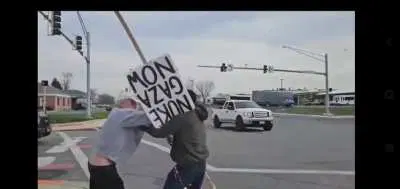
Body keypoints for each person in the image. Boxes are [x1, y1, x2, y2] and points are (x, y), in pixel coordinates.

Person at [141, 90, 209, 189]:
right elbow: (188, 134)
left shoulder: (183, 115)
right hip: (201, 164)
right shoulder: (197, 113)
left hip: (188, 165)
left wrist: (142, 125)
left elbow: (159, 132)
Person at [88, 92, 152, 189]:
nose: (136, 106)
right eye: (133, 102)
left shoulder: (116, 113)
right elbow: (150, 118)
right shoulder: (123, 114)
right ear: (123, 102)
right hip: (103, 168)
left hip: (95, 165)